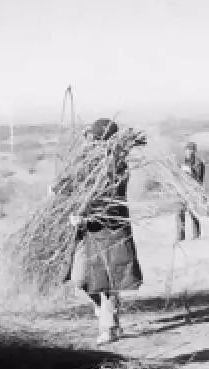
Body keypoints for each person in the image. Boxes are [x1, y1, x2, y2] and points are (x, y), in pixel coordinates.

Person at [64, 118, 144, 345]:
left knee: (107, 280)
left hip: (110, 231)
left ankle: (107, 328)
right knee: (80, 279)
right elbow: (75, 184)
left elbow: (111, 202)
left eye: (95, 138)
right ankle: (105, 310)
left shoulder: (117, 167)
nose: (91, 142)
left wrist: (87, 215)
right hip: (87, 231)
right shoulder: (87, 163)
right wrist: (58, 189)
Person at [176, 141, 205, 241]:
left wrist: (190, 171)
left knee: (194, 213)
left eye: (191, 150)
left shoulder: (198, 163)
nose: (189, 152)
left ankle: (196, 236)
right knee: (180, 212)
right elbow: (177, 175)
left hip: (193, 191)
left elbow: (199, 179)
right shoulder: (181, 162)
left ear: (194, 151)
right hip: (182, 191)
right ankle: (180, 237)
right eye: (187, 150)